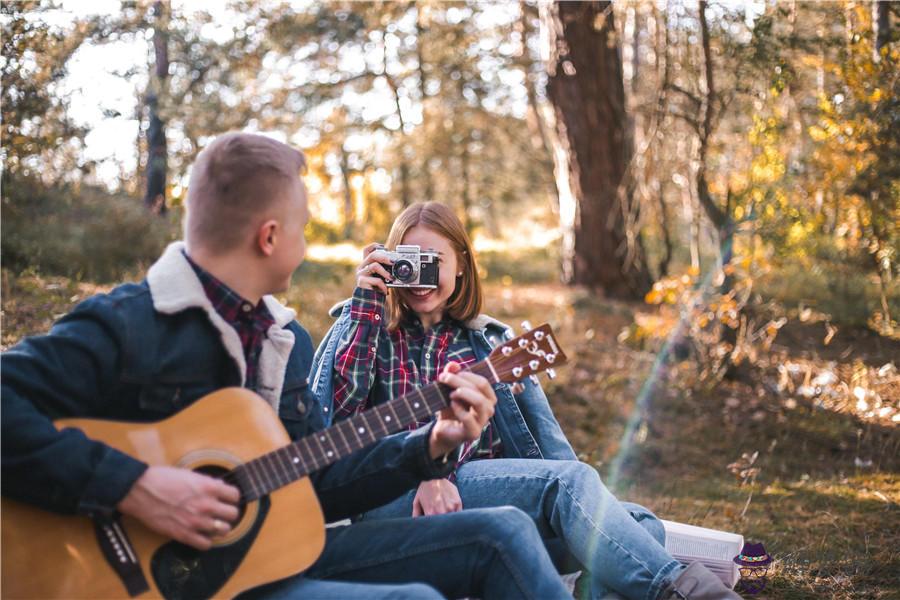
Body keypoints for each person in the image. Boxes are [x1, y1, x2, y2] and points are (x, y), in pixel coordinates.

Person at [1, 134, 573, 600]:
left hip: (267, 555)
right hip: (147, 580)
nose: (304, 247)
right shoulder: (129, 324)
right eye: (301, 230)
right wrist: (136, 486)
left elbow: (316, 484)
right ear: (269, 237)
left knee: (502, 533)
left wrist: (428, 446)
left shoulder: (288, 343)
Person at [312, 201, 741, 600]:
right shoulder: (367, 330)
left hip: (474, 495)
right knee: (573, 488)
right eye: (408, 261)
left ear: (461, 264)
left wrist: (460, 455)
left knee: (638, 523)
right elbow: (337, 419)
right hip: (384, 500)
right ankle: (689, 593)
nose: (420, 277)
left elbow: (540, 454)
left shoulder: (488, 345)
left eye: (434, 262)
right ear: (387, 262)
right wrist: (364, 308)